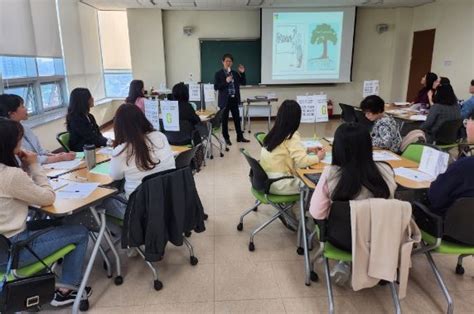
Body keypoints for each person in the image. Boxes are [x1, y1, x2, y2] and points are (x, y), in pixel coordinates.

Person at [0, 118, 90, 307]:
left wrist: (24, 168)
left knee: (62, 222)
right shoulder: (9, 175)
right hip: (13, 250)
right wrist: (34, 165)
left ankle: (48, 277)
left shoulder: (9, 173)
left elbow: (20, 189)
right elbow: (48, 197)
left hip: (5, 243)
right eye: (19, 139)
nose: (21, 143)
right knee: (80, 231)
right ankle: (67, 291)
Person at [101, 104, 176, 219]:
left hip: (139, 208)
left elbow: (115, 176)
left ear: (119, 127)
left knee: (103, 203)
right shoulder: (160, 136)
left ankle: (123, 234)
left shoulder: (121, 151)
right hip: (167, 199)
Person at [309, 122, 397, 220]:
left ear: (337, 148)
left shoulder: (331, 173)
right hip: (381, 231)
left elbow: (317, 213)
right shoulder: (386, 169)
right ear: (368, 146)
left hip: (344, 233)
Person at [260, 100, 326, 196]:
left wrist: (308, 149)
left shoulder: (275, 131)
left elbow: (285, 149)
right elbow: (301, 161)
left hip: (265, 180)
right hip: (280, 183)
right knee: (315, 184)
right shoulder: (291, 135)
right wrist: (319, 157)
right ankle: (308, 209)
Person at [0, 94, 76, 164]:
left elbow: (40, 151)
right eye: (22, 106)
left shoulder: (25, 128)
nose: (26, 109)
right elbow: (26, 160)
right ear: (12, 114)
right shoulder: (7, 137)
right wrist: (59, 158)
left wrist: (57, 155)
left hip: (41, 166)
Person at [427, 113, 474, 215]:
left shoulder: (463, 167)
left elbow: (435, 198)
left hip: (453, 226)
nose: (465, 127)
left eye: (467, 123)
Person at [214, 53, 250, 145]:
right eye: (226, 61)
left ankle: (240, 137)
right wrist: (226, 81)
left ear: (232, 63)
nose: (228, 63)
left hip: (234, 99)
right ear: (223, 62)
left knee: (237, 119)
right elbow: (216, 87)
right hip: (224, 101)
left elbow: (244, 83)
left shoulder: (234, 73)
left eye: (230, 61)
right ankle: (226, 138)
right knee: (225, 120)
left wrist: (242, 73)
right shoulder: (218, 74)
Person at [66, 88, 109, 152]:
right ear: (83, 101)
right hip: (82, 150)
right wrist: (109, 142)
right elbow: (90, 138)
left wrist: (108, 141)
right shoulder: (75, 120)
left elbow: (98, 134)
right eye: (90, 97)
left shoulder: (90, 116)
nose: (92, 98)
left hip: (92, 146)